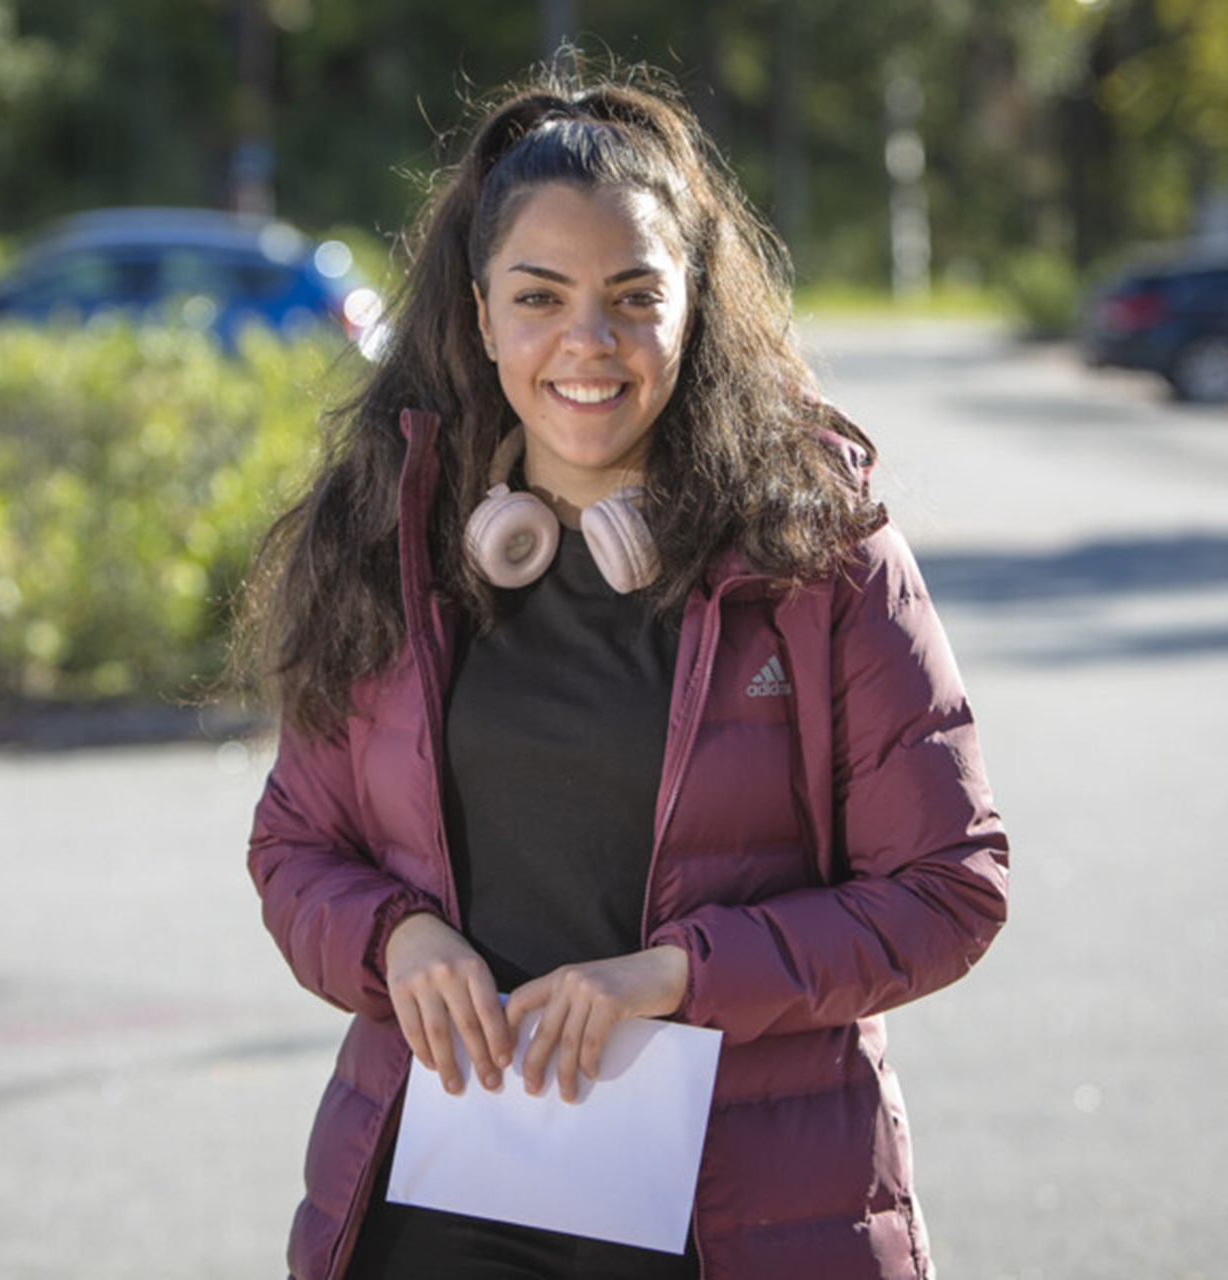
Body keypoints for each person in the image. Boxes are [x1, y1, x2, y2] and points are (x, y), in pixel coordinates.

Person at [242, 56, 1009, 1280]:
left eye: (632, 296)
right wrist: (395, 938)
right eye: (538, 297)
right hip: (432, 1219)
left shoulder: (820, 555)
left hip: (741, 1223)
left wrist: (673, 976)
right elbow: (293, 845)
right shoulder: (386, 547)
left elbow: (947, 886)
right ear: (480, 314)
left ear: (692, 305)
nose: (585, 343)